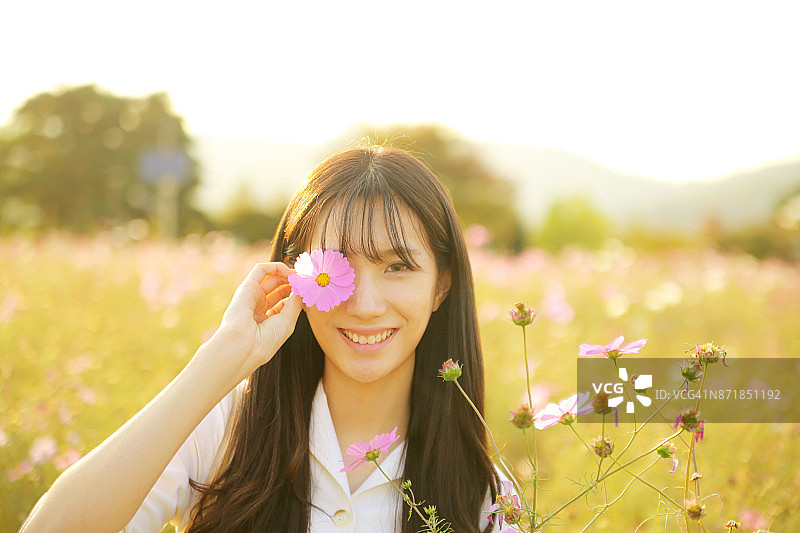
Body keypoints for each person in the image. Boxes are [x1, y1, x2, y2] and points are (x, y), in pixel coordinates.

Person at [21, 145, 502, 533]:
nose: (365, 303)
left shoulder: (481, 492)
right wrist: (223, 359)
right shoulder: (226, 431)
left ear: (441, 285)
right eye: (338, 269)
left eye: (397, 267)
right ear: (298, 277)